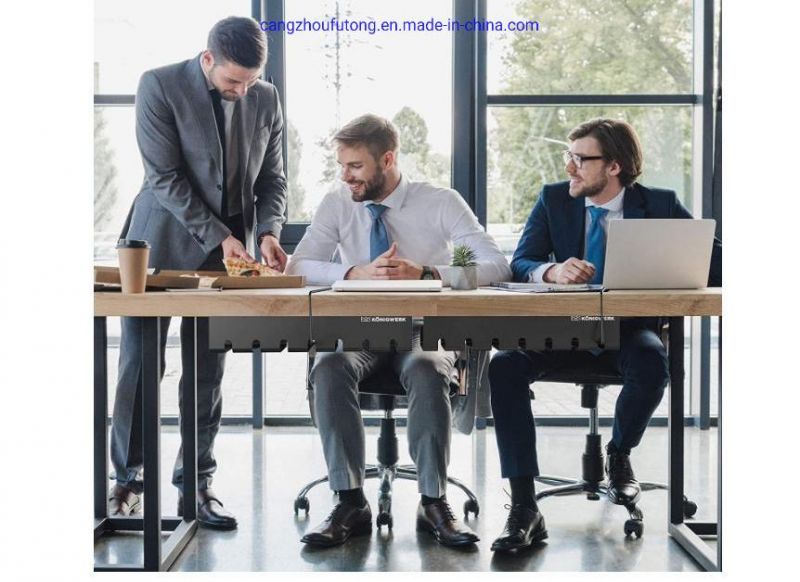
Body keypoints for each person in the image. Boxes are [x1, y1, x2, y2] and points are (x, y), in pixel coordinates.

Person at [487, 118, 722, 552]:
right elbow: (520, 261)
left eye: (580, 159)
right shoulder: (554, 198)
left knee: (653, 363)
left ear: (613, 166)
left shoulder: (660, 204)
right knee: (503, 367)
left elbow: (714, 261)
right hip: (560, 331)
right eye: (569, 157)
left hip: (629, 331)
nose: (570, 167)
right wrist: (552, 270)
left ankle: (618, 453)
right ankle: (524, 506)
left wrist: (682, 262)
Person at [287, 114, 511, 547]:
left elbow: (495, 264)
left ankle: (433, 503)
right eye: (341, 166)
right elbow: (300, 266)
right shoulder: (337, 203)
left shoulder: (440, 201)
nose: (345, 176)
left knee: (427, 368)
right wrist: (356, 271)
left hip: (423, 330)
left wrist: (429, 272)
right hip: (361, 328)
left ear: (387, 159)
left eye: (355, 166)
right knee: (330, 366)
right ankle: (350, 500)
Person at [108, 16, 289, 530]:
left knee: (206, 374)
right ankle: (127, 480)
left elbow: (273, 178)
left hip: (228, 256)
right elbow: (163, 178)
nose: (243, 91)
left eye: (251, 81)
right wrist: (221, 235)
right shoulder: (159, 85)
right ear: (207, 59)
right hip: (157, 247)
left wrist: (270, 232)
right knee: (141, 367)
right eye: (234, 80)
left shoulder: (265, 98)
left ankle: (197, 486)